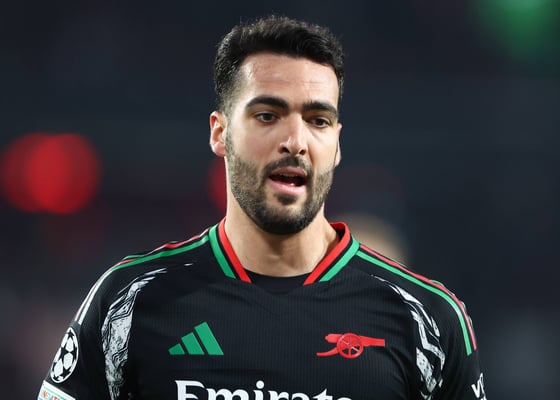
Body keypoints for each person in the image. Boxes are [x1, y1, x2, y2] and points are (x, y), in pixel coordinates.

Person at [38, 15, 487, 400]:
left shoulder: (427, 319)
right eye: (268, 115)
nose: (295, 141)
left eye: (318, 120)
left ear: (336, 144)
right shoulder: (129, 301)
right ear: (220, 133)